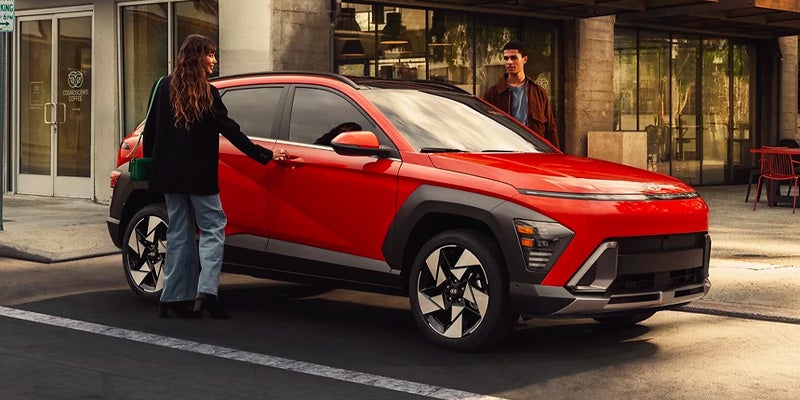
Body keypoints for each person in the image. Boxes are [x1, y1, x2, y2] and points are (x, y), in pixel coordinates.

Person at [143, 34, 273, 319]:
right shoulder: (207, 93)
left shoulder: (163, 87)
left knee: (178, 233)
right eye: (210, 55)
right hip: (199, 177)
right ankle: (207, 293)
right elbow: (231, 130)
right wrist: (265, 155)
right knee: (214, 228)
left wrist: (153, 167)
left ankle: (173, 297)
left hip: (169, 177)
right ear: (197, 57)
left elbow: (149, 132)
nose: (214, 60)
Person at [482, 40, 560, 148]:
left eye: (513, 57)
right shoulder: (493, 94)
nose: (509, 62)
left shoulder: (539, 93)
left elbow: (551, 129)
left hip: (533, 152)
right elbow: (485, 128)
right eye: (506, 58)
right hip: (505, 151)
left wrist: (555, 156)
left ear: (524, 59)